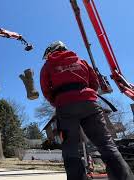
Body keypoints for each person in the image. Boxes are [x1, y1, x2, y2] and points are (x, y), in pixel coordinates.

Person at [40, 41, 134, 180]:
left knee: (70, 147)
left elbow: (46, 89)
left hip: (65, 108)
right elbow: (94, 82)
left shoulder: (47, 66)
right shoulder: (81, 61)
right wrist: (87, 96)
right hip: (89, 104)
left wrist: (58, 103)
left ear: (52, 51)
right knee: (105, 143)